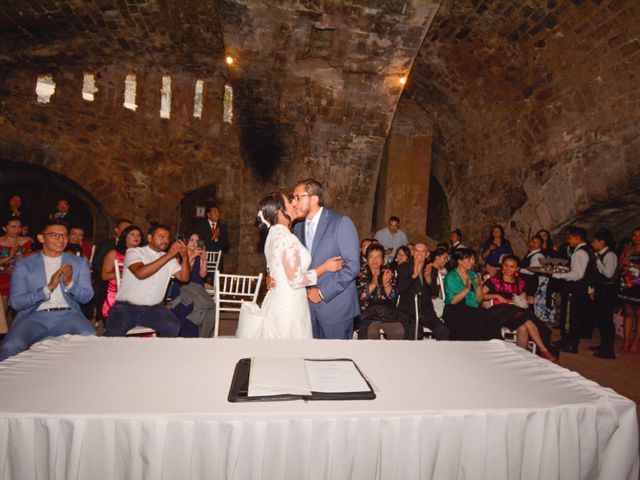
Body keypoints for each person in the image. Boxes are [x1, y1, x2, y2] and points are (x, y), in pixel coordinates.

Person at [237, 192, 344, 339]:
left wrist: (272, 277)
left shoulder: (271, 235)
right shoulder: (286, 238)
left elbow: (277, 266)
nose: (294, 204)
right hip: (289, 307)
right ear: (281, 212)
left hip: (278, 300)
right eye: (290, 202)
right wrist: (324, 268)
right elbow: (296, 281)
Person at [0, 221, 95, 361]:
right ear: (41, 238)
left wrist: (70, 283)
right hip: (33, 316)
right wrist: (47, 288)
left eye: (64, 235)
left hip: (68, 315)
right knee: (11, 345)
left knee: (90, 336)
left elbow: (87, 297)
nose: (61, 239)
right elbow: (15, 302)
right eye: (54, 235)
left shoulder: (79, 263)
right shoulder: (24, 264)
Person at [292, 178, 360, 339]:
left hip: (335, 307)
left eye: (298, 197)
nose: (294, 203)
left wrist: (323, 293)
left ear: (314, 198)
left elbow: (352, 267)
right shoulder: (298, 227)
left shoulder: (341, 222)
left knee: (336, 360)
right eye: (293, 197)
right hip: (307, 308)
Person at [104, 224, 190, 337]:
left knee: (173, 325)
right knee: (114, 332)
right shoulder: (134, 252)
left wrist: (185, 257)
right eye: (161, 237)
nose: (165, 241)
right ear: (149, 238)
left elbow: (184, 278)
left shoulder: (169, 259)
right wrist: (169, 255)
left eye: (167, 238)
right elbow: (141, 273)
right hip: (126, 308)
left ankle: (158, 354)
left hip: (154, 308)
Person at [481, 255, 557, 361]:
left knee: (523, 326)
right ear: (502, 267)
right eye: (506, 266)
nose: (508, 269)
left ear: (517, 269)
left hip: (515, 313)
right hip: (498, 312)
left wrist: (528, 300)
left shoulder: (520, 283)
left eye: (512, 267)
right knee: (525, 317)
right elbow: (480, 296)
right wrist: (497, 296)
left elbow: (522, 304)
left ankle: (522, 358)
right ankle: (544, 350)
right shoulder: (494, 281)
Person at [552, 226, 596, 353]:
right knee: (572, 315)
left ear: (577, 238)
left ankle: (571, 343)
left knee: (571, 317)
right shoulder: (586, 250)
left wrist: (558, 274)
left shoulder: (579, 253)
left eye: (570, 238)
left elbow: (577, 275)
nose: (568, 240)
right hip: (579, 289)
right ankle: (565, 340)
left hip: (575, 289)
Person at [396, 243, 449, 340]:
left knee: (443, 330)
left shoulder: (431, 269)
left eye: (422, 251)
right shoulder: (403, 267)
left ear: (427, 254)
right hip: (408, 311)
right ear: (412, 252)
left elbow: (434, 293)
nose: (419, 254)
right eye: (416, 250)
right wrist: (413, 276)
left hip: (426, 311)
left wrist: (429, 280)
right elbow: (400, 289)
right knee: (416, 332)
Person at [168, 231, 216, 338]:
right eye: (191, 240)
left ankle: (192, 337)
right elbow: (182, 273)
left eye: (197, 241)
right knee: (186, 308)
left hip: (197, 289)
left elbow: (203, 275)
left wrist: (204, 261)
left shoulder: (199, 257)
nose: (194, 243)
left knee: (199, 308)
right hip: (182, 288)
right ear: (186, 242)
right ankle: (184, 335)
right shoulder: (178, 255)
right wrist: (192, 256)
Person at [356, 244, 407, 339]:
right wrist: (373, 284)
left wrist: (386, 285)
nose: (375, 260)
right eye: (371, 257)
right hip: (367, 314)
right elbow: (358, 296)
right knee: (371, 332)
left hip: (387, 313)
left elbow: (393, 297)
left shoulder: (388, 273)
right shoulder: (360, 273)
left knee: (399, 331)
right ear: (367, 258)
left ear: (382, 259)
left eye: (378, 257)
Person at [91, 218, 132, 325]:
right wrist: (114, 274)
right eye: (125, 229)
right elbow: (97, 264)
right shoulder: (107, 244)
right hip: (108, 279)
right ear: (116, 230)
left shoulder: (137, 248)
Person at [100, 225, 143, 322]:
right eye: (132, 234)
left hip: (138, 295)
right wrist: (123, 273)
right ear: (125, 237)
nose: (136, 237)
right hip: (116, 295)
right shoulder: (114, 253)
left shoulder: (143, 254)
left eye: (139, 235)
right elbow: (104, 276)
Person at [0, 218, 33, 335]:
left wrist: (22, 257)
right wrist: (8, 259)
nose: (17, 229)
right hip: (3, 279)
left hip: (21, 279)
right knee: (2, 313)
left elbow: (33, 260)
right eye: (13, 226)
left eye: (19, 226)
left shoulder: (27, 241)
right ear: (4, 228)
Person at [589, 228, 618, 359]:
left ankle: (608, 350)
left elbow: (608, 274)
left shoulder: (610, 255)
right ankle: (603, 345)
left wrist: (598, 260)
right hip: (601, 290)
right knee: (601, 320)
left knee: (606, 320)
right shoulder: (599, 254)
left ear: (602, 242)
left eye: (594, 241)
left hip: (608, 292)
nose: (592, 243)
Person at [520, 235, 555, 324]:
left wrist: (518, 269)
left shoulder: (537, 255)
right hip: (528, 282)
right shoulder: (530, 253)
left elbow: (532, 271)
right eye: (532, 242)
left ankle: (531, 323)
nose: (533, 244)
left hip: (531, 282)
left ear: (541, 244)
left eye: (536, 242)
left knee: (530, 304)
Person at [618, 227, 640, 353]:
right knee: (628, 313)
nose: (636, 238)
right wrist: (625, 257)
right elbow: (620, 267)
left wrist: (631, 264)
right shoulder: (628, 250)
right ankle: (626, 342)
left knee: (638, 314)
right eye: (634, 235)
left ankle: (636, 343)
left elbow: (631, 265)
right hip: (627, 284)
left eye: (639, 235)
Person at [194, 205, 230, 272]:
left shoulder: (222, 227)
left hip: (218, 263)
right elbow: (200, 246)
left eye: (218, 212)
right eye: (215, 212)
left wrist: (217, 238)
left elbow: (226, 248)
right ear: (208, 214)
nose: (217, 214)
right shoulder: (201, 226)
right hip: (204, 260)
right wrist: (213, 238)